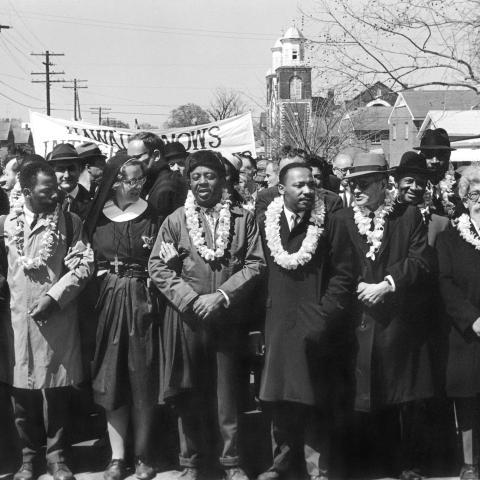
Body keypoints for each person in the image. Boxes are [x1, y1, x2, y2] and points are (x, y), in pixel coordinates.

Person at [149, 150, 266, 480]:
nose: (203, 182)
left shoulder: (244, 218)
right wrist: (188, 298)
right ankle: (192, 463)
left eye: (210, 175)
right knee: (190, 395)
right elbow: (156, 265)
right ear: (189, 181)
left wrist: (222, 296)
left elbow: (256, 264)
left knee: (228, 396)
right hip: (189, 321)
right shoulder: (176, 219)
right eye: (196, 176)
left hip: (227, 318)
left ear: (223, 179)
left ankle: (232, 462)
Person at [337, 152, 433, 479]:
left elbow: (420, 262)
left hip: (396, 323)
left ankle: (405, 465)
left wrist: (388, 284)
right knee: (363, 398)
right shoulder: (343, 219)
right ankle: (370, 464)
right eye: (352, 185)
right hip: (358, 323)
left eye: (364, 184)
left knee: (399, 398)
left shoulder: (408, 217)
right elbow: (336, 268)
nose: (357, 190)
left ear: (383, 184)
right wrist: (358, 288)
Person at [257, 162, 353, 480]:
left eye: (311, 184)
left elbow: (343, 273)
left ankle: (317, 468)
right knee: (279, 395)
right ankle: (281, 464)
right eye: (298, 185)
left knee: (315, 395)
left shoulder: (330, 221)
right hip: (279, 321)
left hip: (316, 322)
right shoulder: (265, 223)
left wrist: (325, 314)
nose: (307, 190)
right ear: (281, 189)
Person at [4, 160, 93, 480]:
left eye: (56, 188)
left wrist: (54, 297)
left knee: (56, 392)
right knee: (22, 394)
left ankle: (57, 458)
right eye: (47, 190)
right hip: (15, 323)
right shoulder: (6, 225)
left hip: (55, 319)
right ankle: (29, 459)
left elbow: (84, 266)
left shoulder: (69, 222)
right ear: (27, 191)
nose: (56, 193)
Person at [84, 153, 160, 480]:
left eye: (141, 180)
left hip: (144, 299)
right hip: (108, 300)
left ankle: (142, 455)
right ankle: (117, 457)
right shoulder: (97, 218)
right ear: (115, 181)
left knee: (142, 379)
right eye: (130, 180)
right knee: (112, 378)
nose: (136, 186)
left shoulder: (154, 215)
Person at [437, 165, 480, 480]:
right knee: (467, 399)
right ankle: (469, 464)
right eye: (475, 194)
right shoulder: (450, 237)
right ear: (465, 199)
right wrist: (473, 319)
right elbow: (445, 283)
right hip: (467, 332)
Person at [127, 131, 188, 223]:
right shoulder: (149, 182)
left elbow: (157, 231)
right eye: (129, 159)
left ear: (156, 156)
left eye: (136, 157)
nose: (131, 163)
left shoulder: (166, 187)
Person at [48, 143, 92, 220]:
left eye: (71, 169)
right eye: (61, 169)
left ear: (79, 170)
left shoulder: (91, 203)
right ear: (52, 171)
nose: (67, 175)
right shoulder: (46, 200)